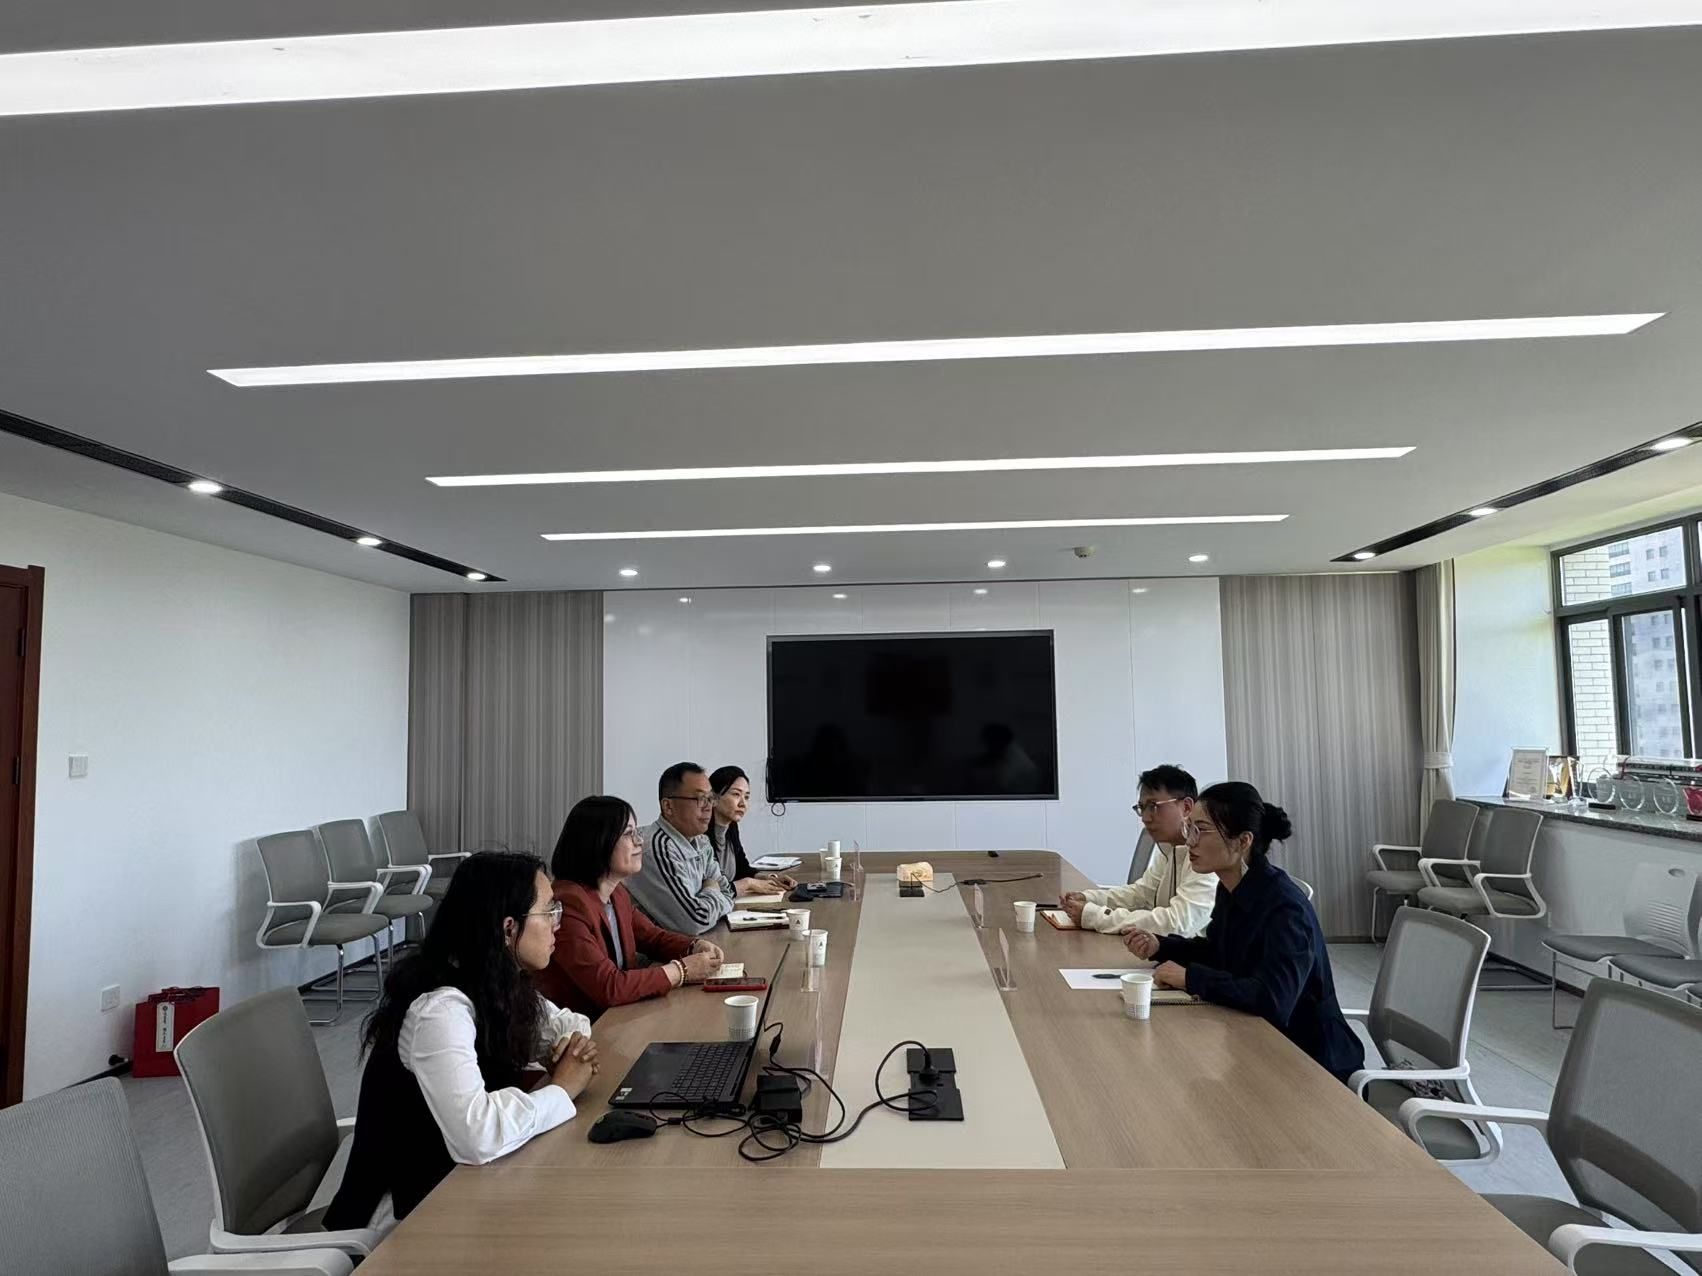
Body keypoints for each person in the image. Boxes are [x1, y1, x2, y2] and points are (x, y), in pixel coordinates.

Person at [324, 851, 600, 1228]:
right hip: (404, 1219)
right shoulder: (440, 1011)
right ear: (508, 929)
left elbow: (566, 1022)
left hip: (466, 1185)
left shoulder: (496, 981)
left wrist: (568, 1045)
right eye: (549, 911)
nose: (557, 924)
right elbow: (477, 1135)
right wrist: (562, 1088)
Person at [1124, 782, 1364, 1084]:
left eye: (1201, 830)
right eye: (1189, 829)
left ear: (1242, 841)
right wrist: (1161, 946)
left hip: (1312, 1062)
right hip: (1258, 1045)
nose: (1189, 841)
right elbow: (1220, 953)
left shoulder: (1285, 909)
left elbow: (1273, 1000)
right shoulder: (1231, 887)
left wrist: (1190, 977)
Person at [538, 795, 728, 1018]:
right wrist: (682, 971)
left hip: (622, 1014)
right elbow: (608, 986)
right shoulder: (569, 904)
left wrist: (694, 946)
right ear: (598, 841)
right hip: (586, 1029)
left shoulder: (616, 892)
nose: (639, 842)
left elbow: (653, 938)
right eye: (629, 834)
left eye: (637, 832)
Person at [1059, 764, 1215, 936]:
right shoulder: (1170, 849)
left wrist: (1094, 916)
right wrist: (1089, 898)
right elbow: (1141, 894)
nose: (1145, 818)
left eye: (1154, 806)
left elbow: (1177, 924)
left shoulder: (1209, 856)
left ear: (1186, 807)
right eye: (1142, 808)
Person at [627, 761, 738, 935]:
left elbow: (729, 892)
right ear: (668, 806)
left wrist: (707, 898)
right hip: (654, 951)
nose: (708, 807)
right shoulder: (657, 848)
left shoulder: (701, 842)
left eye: (710, 798)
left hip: (698, 941)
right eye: (700, 799)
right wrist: (711, 888)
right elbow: (695, 921)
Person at [708, 765, 797, 893]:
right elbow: (712, 886)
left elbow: (742, 869)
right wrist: (748, 883)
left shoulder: (732, 826)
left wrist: (770, 878)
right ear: (713, 798)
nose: (742, 804)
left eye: (746, 797)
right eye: (736, 794)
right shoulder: (699, 835)